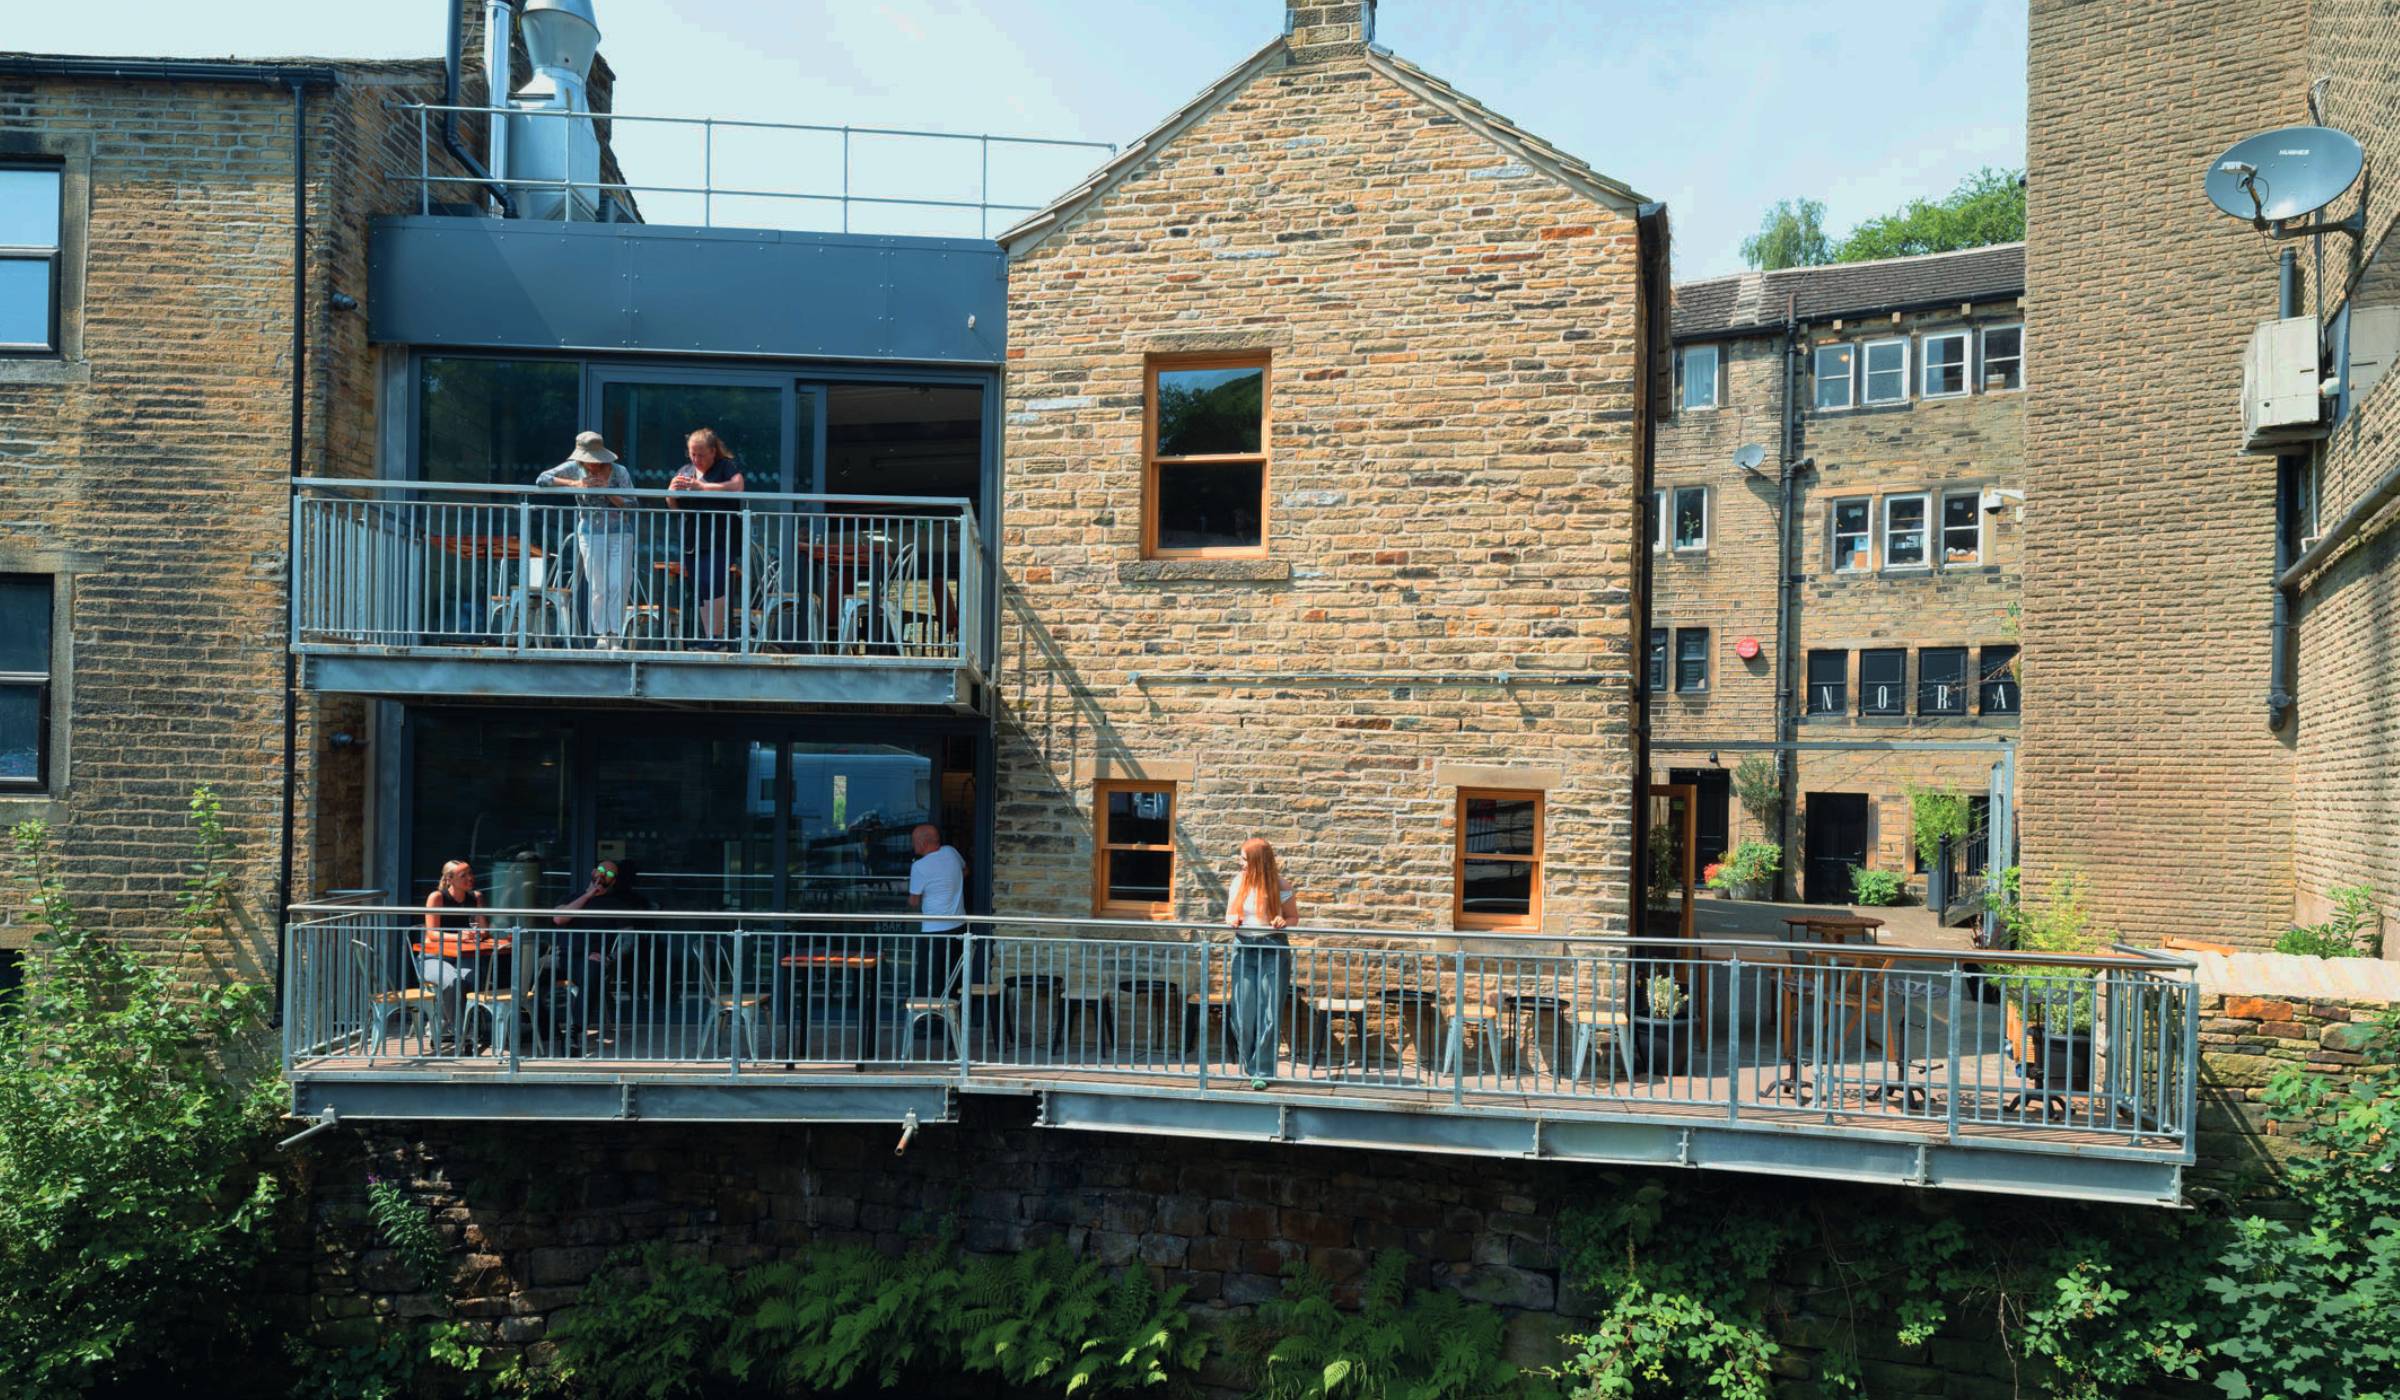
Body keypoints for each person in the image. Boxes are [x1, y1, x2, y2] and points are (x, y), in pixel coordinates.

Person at [535, 431, 635, 649]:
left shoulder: (619, 472)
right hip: (591, 532)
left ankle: (615, 634)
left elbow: (632, 504)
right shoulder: (574, 468)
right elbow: (542, 479)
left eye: (597, 462)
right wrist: (575, 485)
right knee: (598, 585)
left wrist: (607, 491)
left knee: (618, 583)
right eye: (589, 461)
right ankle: (601, 634)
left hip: (620, 532)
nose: (593, 466)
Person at [550, 859, 653, 1054]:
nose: (604, 874)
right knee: (526, 973)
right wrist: (588, 895)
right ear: (593, 871)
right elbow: (559, 918)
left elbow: (628, 941)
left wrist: (610, 958)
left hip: (589, 959)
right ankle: (542, 1029)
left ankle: (574, 1031)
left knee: (592, 969)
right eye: (602, 869)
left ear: (613, 882)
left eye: (610, 874)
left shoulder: (616, 905)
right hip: (560, 958)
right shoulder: (570, 897)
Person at [1225, 838, 1298, 1090]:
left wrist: (1282, 920)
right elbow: (1228, 915)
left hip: (1272, 947)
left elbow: (1293, 917)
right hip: (1244, 947)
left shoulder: (1280, 885)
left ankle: (1263, 1071)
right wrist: (1233, 918)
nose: (1240, 863)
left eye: (1244, 859)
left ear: (1257, 862)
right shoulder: (1238, 882)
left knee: (1269, 1010)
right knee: (1242, 1010)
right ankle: (1250, 1063)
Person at [666, 427, 744, 647]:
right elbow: (674, 506)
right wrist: (671, 494)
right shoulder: (685, 470)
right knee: (700, 585)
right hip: (693, 539)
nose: (696, 459)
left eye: (700, 454)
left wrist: (702, 487)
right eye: (692, 454)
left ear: (712, 451)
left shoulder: (726, 467)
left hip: (720, 537)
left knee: (714, 582)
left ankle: (716, 636)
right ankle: (710, 636)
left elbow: (738, 487)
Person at [418, 861, 490, 1044]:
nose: (470, 878)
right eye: (463, 876)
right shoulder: (437, 897)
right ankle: (461, 1030)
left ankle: (444, 1021)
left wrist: (476, 934)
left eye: (470, 873)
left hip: (465, 955)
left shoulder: (476, 897)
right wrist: (461, 936)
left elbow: (484, 930)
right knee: (451, 981)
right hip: (434, 956)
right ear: (449, 879)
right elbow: (432, 934)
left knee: (470, 980)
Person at [907, 823, 969, 994]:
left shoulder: (919, 867)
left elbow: (913, 901)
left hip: (933, 931)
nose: (912, 844)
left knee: (929, 983)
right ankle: (951, 1018)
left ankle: (927, 1020)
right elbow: (965, 871)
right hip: (958, 927)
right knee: (952, 980)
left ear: (922, 843)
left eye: (913, 841)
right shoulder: (951, 852)